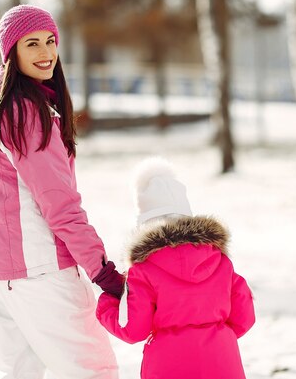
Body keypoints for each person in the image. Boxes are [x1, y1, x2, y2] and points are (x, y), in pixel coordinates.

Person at [0, 4, 123, 379]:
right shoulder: (27, 115)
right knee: (94, 371)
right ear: (12, 54)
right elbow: (62, 207)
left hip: (1, 275)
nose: (45, 53)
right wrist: (104, 273)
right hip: (41, 271)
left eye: (50, 41)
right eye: (32, 44)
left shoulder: (1, 110)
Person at [96, 157, 255, 379]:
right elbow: (244, 317)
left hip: (168, 364)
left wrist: (108, 302)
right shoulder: (220, 260)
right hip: (221, 361)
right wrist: (215, 336)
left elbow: (133, 329)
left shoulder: (143, 270)